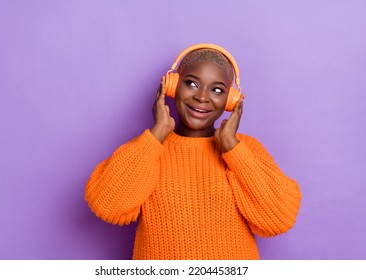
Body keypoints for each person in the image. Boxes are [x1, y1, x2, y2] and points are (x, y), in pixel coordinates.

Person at [85, 44, 302, 260]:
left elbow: (279, 218)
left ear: (231, 100)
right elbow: (107, 207)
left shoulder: (245, 150)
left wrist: (231, 147)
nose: (202, 97)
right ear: (172, 86)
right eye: (191, 83)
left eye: (217, 90)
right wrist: (157, 134)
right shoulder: (148, 148)